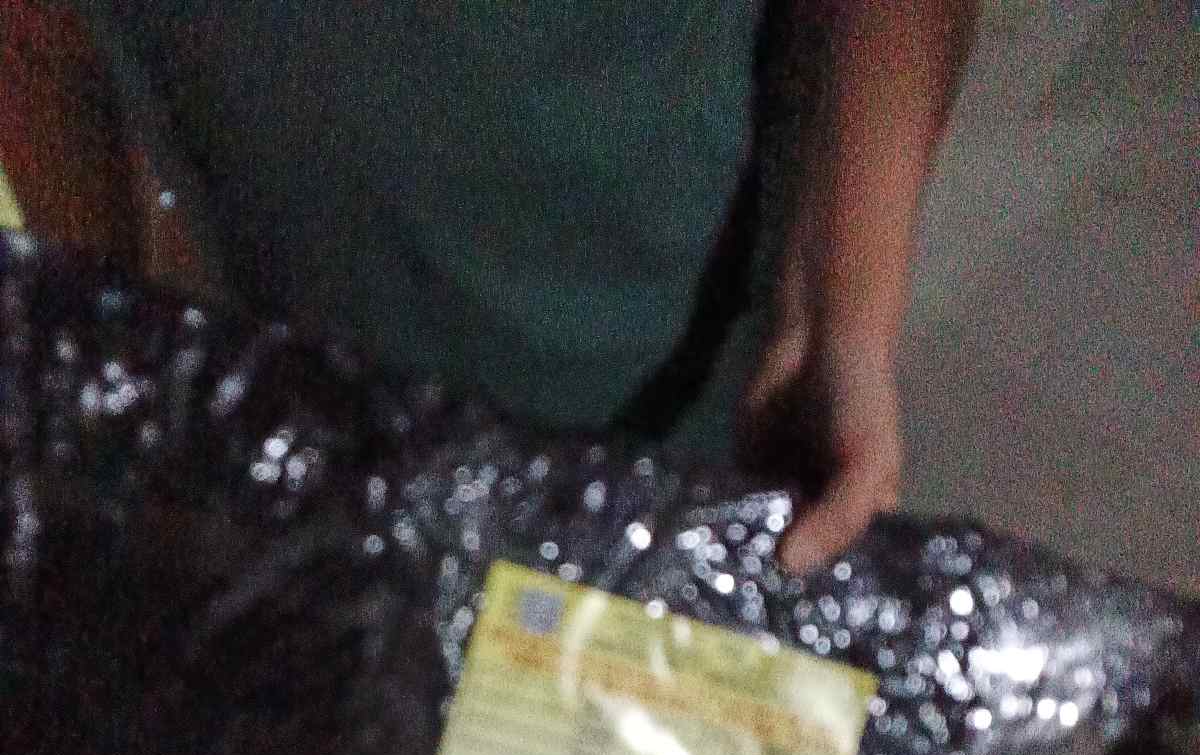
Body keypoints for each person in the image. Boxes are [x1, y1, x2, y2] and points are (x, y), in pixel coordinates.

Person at [48, 0, 976, 572]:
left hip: (670, 400)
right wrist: (116, 346)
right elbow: (45, 44)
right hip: (278, 438)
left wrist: (837, 323)